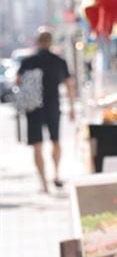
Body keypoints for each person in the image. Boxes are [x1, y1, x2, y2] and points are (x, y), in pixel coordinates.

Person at [17, 29, 76, 192]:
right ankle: (56, 175)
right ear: (50, 42)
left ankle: (43, 182)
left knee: (37, 145)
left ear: (37, 42)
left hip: (34, 108)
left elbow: (18, 82)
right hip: (52, 105)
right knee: (56, 142)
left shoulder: (28, 61)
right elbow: (69, 85)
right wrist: (72, 108)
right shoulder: (58, 61)